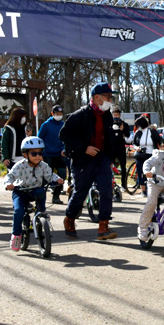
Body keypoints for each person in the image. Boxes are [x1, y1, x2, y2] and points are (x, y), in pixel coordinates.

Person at [60, 82, 119, 240]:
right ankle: (70, 219)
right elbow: (64, 135)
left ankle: (103, 226)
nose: (110, 100)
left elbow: (109, 138)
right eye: (107, 96)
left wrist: (111, 158)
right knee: (81, 192)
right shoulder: (79, 115)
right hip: (82, 160)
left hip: (102, 159)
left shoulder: (107, 116)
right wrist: (84, 148)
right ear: (97, 97)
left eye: (111, 97)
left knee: (107, 191)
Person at [4, 137, 64, 251]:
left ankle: (41, 217)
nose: (38, 156)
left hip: (36, 190)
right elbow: (10, 176)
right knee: (19, 211)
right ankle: (16, 236)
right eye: (34, 153)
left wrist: (57, 179)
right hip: (20, 191)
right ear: (25, 154)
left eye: (40, 153)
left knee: (42, 192)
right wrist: (8, 184)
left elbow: (50, 175)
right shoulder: (20, 165)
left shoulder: (44, 166)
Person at [38, 105, 67, 204]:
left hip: (59, 154)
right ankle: (41, 196)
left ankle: (56, 196)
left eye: (60, 114)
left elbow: (66, 139)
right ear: (52, 113)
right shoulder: (46, 125)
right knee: (47, 176)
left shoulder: (64, 125)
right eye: (56, 114)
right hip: (48, 154)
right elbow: (39, 139)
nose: (58, 116)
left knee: (62, 174)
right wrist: (40, 152)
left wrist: (64, 149)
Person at [130, 115, 162, 197]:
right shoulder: (138, 132)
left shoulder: (152, 131)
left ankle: (153, 189)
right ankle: (143, 190)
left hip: (151, 154)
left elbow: (159, 141)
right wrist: (137, 148)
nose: (138, 127)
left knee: (152, 172)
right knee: (141, 172)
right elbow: (133, 144)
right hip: (140, 155)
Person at [110, 107, 131, 194]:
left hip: (121, 148)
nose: (116, 116)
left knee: (123, 167)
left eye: (117, 115)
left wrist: (122, 130)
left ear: (120, 115)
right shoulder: (109, 123)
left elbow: (128, 135)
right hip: (111, 148)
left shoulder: (124, 124)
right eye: (114, 115)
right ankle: (110, 183)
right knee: (109, 166)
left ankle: (123, 185)